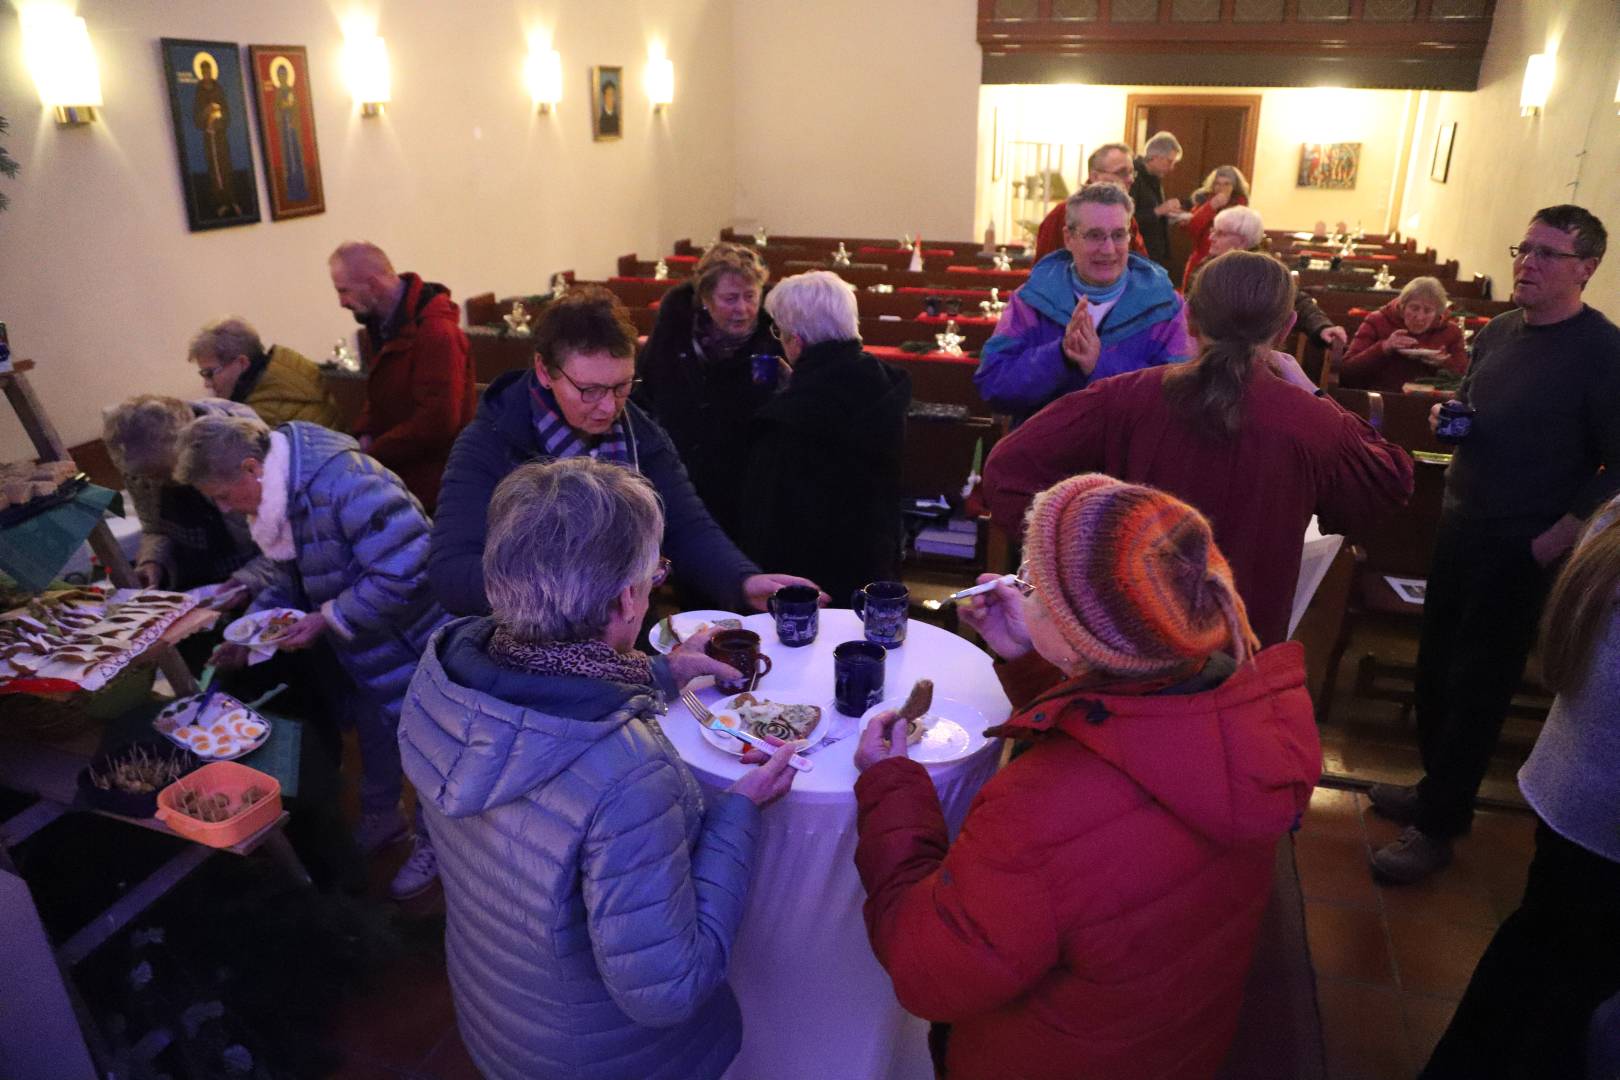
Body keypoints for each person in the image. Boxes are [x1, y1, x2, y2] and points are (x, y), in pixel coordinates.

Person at [852, 473, 1321, 1080]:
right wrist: (1028, 655)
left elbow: (927, 969)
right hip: (1168, 1043)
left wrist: (892, 783)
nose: (1018, 592)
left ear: (1079, 642)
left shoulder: (1044, 808)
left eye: (1033, 587)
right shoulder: (1238, 704)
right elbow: (1132, 734)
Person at [398, 458, 797, 1080]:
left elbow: (543, 699)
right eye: (654, 574)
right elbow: (669, 988)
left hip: (499, 1016)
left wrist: (660, 672)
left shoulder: (443, 671)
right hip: (603, 1058)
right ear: (623, 600)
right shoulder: (628, 775)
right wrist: (739, 809)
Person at [982, 250, 1413, 646]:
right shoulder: (1308, 420)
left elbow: (1007, 470)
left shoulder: (1124, 398)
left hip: (1127, 639)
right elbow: (1389, 482)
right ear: (1284, 329)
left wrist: (1077, 558)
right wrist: (1314, 392)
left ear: (1189, 319)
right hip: (1242, 654)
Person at [1370, 205, 1620, 884]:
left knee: (1479, 686)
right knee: (1436, 668)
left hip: (1524, 542)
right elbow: (1476, 406)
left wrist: (1560, 535)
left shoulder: (1602, 352)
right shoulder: (1502, 331)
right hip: (1462, 522)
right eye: (1524, 247)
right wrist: (1448, 417)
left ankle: (1440, 826)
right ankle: (1433, 789)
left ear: (1586, 269)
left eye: (1547, 254)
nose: (1526, 263)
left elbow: (1617, 464)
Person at [176, 414, 449, 899]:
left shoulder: (345, 481)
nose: (225, 508)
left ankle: (440, 848)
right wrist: (250, 636)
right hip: (365, 648)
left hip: (412, 645)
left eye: (222, 495)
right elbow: (290, 576)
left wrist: (330, 617)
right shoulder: (287, 491)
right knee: (377, 738)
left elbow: (410, 568)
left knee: (430, 753)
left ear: (251, 467)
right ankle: (384, 817)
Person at [430, 285, 820, 618]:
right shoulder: (490, 443)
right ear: (545, 372)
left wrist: (742, 579)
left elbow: (685, 525)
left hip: (625, 631)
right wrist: (573, 589)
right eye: (589, 390)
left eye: (621, 386)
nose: (607, 408)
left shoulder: (639, 432)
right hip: (526, 646)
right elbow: (452, 574)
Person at [1420, 497, 1620, 1078]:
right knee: (1566, 1006)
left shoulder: (1610, 519)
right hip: (1601, 816)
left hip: (1572, 796)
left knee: (1534, 959)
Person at [741, 271, 910, 605]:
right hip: (874, 561)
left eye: (780, 332)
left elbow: (765, 522)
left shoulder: (790, 418)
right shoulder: (884, 383)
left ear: (797, 341)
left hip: (810, 585)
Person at [976, 183, 1192, 426]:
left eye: (1118, 235)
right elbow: (993, 386)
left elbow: (1183, 397)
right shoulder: (1031, 300)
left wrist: (1099, 364)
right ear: (1068, 238)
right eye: (1094, 235)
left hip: (1126, 458)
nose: (1108, 249)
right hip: (1047, 454)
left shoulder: (1165, 306)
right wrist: (1059, 355)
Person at [634, 242, 781, 543]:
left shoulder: (774, 335)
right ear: (705, 299)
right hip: (684, 469)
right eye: (729, 298)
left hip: (751, 479)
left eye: (750, 296)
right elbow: (652, 382)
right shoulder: (676, 328)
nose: (742, 309)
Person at [328, 241, 476, 514]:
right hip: (399, 474)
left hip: (437, 488)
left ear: (371, 284)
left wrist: (372, 455)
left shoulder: (436, 333)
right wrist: (364, 434)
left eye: (343, 290)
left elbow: (438, 422)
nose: (341, 302)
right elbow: (381, 395)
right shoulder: (384, 325)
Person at [102, 395, 261, 591]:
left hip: (253, 573)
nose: (153, 481)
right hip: (196, 579)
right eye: (146, 476)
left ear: (186, 444)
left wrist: (250, 578)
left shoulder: (242, 448)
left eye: (161, 473)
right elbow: (155, 529)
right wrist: (152, 562)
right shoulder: (139, 464)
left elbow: (279, 541)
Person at [1203, 205, 1349, 355]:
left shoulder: (1263, 271)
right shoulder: (1208, 266)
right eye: (1213, 231)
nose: (1211, 238)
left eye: (1220, 233)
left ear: (1242, 240)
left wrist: (1322, 327)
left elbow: (1297, 302)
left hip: (1244, 354)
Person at [187, 316, 343, 429]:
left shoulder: (262, 417)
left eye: (209, 373)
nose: (207, 384)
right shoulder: (290, 372)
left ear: (242, 363)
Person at [1338, 276, 1468, 390]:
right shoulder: (1378, 320)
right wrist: (1384, 347)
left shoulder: (1451, 331)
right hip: (1378, 397)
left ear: (1438, 314)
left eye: (1428, 311)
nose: (1419, 317)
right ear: (1402, 307)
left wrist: (1444, 363)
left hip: (1429, 404)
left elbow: (1463, 381)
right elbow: (1346, 373)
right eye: (1414, 308)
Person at [1032, 143, 1149, 261]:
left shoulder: (1125, 215)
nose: (1130, 179)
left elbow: (1141, 264)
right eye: (1122, 173)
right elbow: (1044, 268)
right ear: (1095, 176)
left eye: (1131, 173)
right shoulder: (1063, 213)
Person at [1180, 165, 1250, 291]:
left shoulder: (1241, 207)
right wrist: (1210, 207)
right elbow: (1192, 230)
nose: (1221, 188)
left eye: (1226, 184)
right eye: (1217, 183)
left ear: (1234, 187)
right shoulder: (1203, 202)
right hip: (1200, 259)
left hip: (1228, 261)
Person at [1130, 130, 1184, 270]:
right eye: (1169, 162)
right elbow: (1128, 219)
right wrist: (1160, 210)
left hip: (1153, 252)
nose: (1171, 168)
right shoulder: (1132, 177)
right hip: (1137, 255)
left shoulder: (1154, 177)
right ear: (1154, 157)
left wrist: (1169, 214)